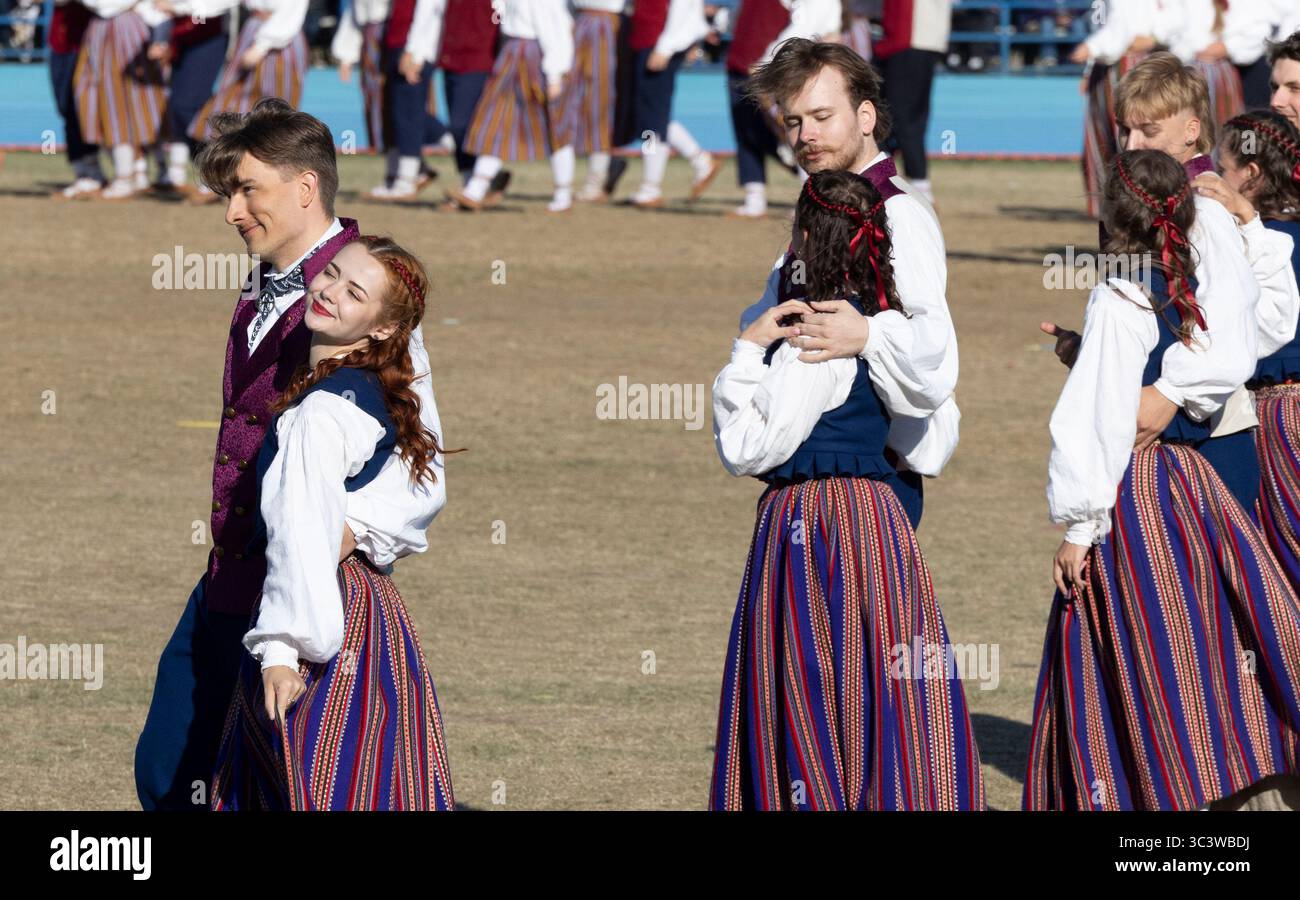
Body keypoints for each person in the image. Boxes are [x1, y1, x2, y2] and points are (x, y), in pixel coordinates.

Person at [134, 98, 448, 810]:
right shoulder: (268, 278)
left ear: (305, 188)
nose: (232, 211)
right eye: (228, 193)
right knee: (168, 767)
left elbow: (418, 463)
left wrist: (345, 530)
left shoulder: (365, 291)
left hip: (297, 591)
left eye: (248, 189)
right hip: (230, 575)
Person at [1026, 149, 1300, 810]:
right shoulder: (1193, 280)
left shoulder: (1119, 291)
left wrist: (1080, 525)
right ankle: (1236, 766)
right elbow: (1236, 350)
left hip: (1140, 487)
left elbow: (1097, 417)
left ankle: (1171, 787)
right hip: (1193, 480)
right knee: (1218, 633)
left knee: (1155, 646)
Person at [709, 169, 984, 811]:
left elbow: (749, 448)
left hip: (811, 520)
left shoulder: (812, 331)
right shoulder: (881, 324)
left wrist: (746, 352)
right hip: (880, 519)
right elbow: (933, 434)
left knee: (813, 676)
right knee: (885, 680)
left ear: (805, 235)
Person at [209, 235, 456, 810]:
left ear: (382, 329)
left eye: (354, 293)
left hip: (321, 616)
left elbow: (300, 533)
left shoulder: (321, 412)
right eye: (332, 275)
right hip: (370, 612)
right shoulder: (369, 386)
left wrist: (281, 651)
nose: (328, 293)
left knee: (310, 785)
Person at [740, 39, 961, 528]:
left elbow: (936, 356)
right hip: (800, 479)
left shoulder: (899, 212)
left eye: (822, 116)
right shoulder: (819, 208)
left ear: (865, 117)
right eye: (794, 121)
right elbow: (765, 316)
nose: (806, 136)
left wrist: (869, 335)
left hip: (871, 481)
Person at [1203, 111, 1300, 593]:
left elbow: (1265, 331)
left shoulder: (1266, 239)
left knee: (1276, 565)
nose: (1215, 178)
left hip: (1279, 412)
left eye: (1223, 169)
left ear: (1251, 175)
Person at [448, 0, 574, 212]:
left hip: (533, 56)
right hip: (512, 54)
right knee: (496, 119)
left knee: (554, 126)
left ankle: (563, 194)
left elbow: (554, 30)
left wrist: (554, 75)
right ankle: (476, 189)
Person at [724, 0, 842, 219]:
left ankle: (816, 198)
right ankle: (757, 197)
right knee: (749, 129)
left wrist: (767, 61)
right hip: (753, 61)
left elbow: (804, 27)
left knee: (803, 134)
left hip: (792, 65)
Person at [332, 0, 450, 201]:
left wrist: (415, 48)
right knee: (382, 107)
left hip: (401, 32)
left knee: (402, 105)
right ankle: (399, 172)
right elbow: (356, 8)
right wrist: (346, 52)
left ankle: (447, 146)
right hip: (379, 32)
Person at [1069, 0, 1168, 217]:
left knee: (1138, 140)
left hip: (1136, 64)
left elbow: (1140, 31)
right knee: (1105, 143)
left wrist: (1156, 37)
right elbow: (1107, 27)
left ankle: (1143, 205)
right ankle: (1115, 211)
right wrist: (1091, 67)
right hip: (1109, 66)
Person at [73, 0, 167, 200]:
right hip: (102, 28)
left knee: (135, 103)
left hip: (126, 26)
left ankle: (135, 174)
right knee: (100, 102)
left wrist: (160, 38)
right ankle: (130, 173)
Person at [187, 0, 310, 145]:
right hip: (252, 31)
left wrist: (261, 46)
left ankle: (276, 150)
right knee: (233, 93)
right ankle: (236, 148)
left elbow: (291, 9)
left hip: (280, 39)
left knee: (277, 103)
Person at [873, 0, 950, 205]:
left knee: (901, 117)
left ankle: (916, 185)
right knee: (891, 116)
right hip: (909, 38)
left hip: (909, 37)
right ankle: (888, 180)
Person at [150, 1, 230, 200]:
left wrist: (177, 7)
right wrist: (161, 39)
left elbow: (213, 6)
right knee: (177, 108)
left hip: (207, 36)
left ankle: (216, 173)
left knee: (187, 106)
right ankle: (180, 176)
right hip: (182, 37)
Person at [48, 0, 104, 199]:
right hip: (59, 44)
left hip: (85, 43)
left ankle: (92, 174)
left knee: (79, 110)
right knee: (65, 108)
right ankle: (84, 172)